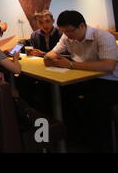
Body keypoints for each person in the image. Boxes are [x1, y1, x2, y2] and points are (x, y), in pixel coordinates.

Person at [44, 10, 118, 152]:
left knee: (93, 102)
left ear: (82, 26)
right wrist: (50, 58)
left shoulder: (102, 36)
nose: (68, 36)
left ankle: (102, 143)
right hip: (84, 79)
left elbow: (109, 66)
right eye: (64, 32)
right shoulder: (66, 37)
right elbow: (53, 52)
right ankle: (73, 136)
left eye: (70, 31)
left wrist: (71, 65)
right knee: (58, 95)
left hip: (110, 81)